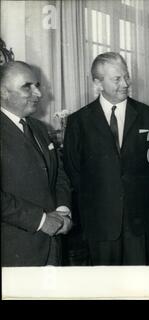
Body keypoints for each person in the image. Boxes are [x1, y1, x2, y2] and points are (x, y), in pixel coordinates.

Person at [63, 52, 149, 266]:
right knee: (105, 286)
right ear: (98, 83)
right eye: (117, 79)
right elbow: (74, 171)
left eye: (126, 76)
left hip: (140, 221)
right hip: (100, 222)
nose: (125, 83)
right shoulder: (78, 122)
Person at [1, 61, 72, 266]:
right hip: (14, 252)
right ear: (3, 92)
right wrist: (41, 221)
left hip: (52, 247)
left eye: (37, 85)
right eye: (27, 87)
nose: (38, 94)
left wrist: (63, 210)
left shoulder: (40, 128)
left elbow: (58, 174)